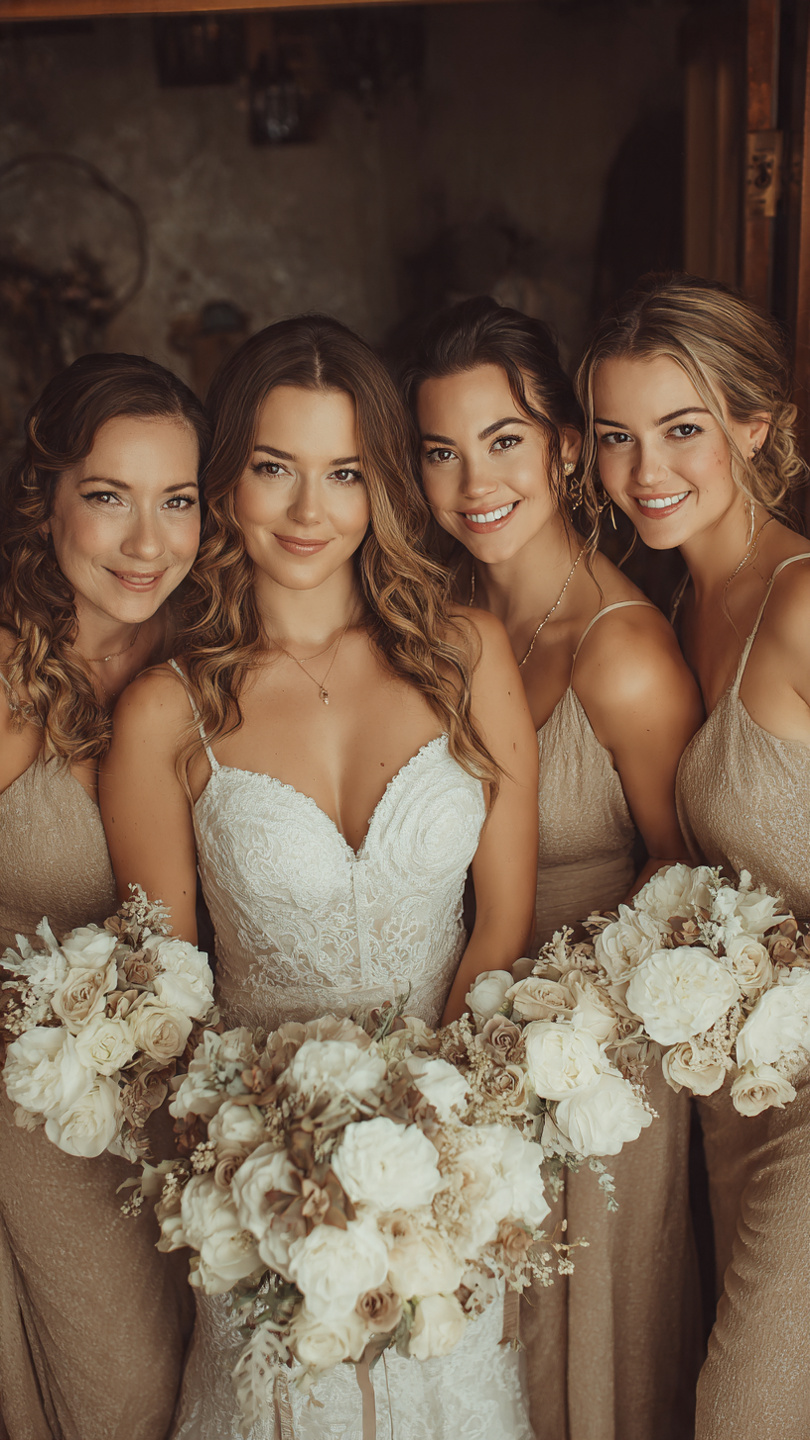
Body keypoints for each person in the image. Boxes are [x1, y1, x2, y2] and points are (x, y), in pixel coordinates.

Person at [101, 314, 539, 1439]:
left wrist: (443, 1150)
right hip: (262, 1189)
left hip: (456, 1176)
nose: (310, 512)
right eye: (273, 470)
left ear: (380, 485)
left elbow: (503, 924)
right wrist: (275, 1177)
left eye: (344, 472)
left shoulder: (467, 656)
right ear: (225, 484)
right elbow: (169, 991)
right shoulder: (168, 712)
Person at [402, 296, 703, 1440]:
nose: (474, 483)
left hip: (598, 1069)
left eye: (505, 442)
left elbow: (689, 896)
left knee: (580, 1372)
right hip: (456, 1032)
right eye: (442, 451)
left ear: (567, 448)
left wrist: (550, 1031)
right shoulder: (438, 618)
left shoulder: (622, 653)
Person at [579, 271, 810, 1440]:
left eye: (682, 430)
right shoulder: (675, 606)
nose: (644, 471)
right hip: (742, 1101)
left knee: (745, 1416)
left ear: (758, 426)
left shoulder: (807, 600)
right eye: (615, 437)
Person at [0, 352, 208, 1440]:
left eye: (177, 501)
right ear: (45, 502)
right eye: (108, 498)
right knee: (122, 1392)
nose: (147, 542)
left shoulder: (216, 662)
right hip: (41, 1109)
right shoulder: (10, 673)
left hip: (204, 1102)